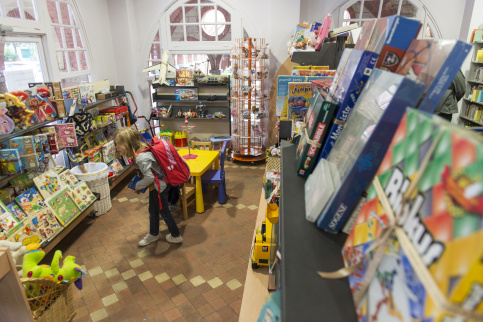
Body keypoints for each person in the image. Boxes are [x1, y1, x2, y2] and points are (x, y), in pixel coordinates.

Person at [114, 127, 182, 246]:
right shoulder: (142, 151)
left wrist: (137, 186)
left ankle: (176, 236)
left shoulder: (141, 157)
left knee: (163, 211)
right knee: (153, 210)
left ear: (127, 144)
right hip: (156, 186)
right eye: (116, 144)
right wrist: (142, 186)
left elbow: (150, 177)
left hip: (160, 186)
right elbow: (150, 174)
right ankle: (153, 234)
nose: (116, 147)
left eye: (119, 144)